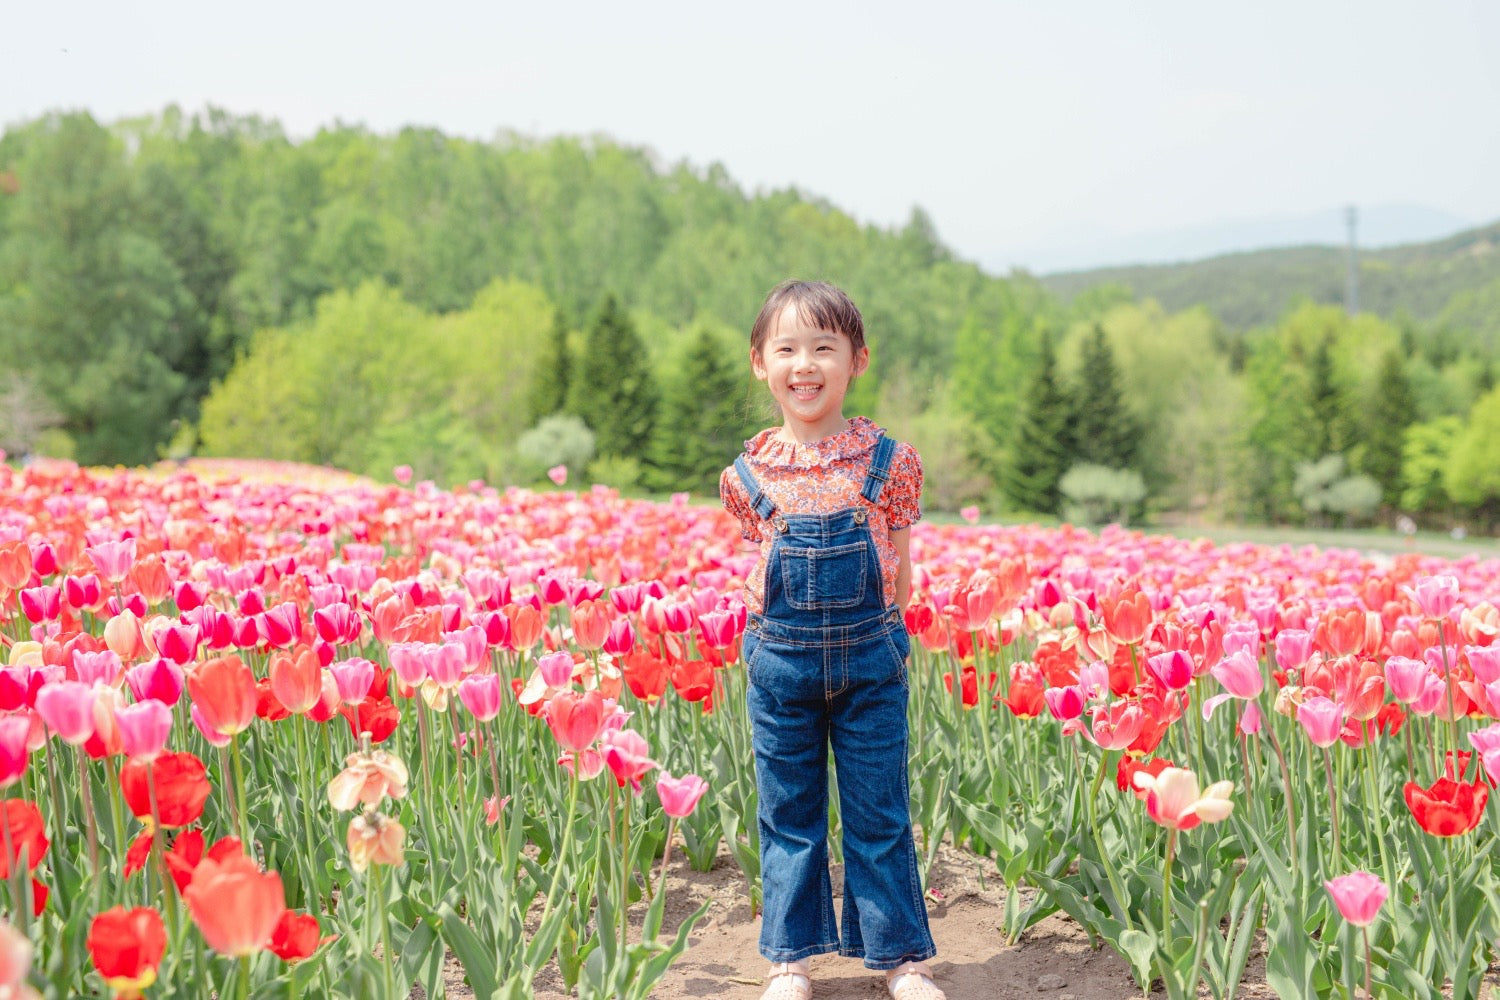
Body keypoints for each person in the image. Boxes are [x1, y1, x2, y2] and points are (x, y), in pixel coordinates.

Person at [720, 280, 943, 1000]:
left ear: (858, 360)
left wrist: (888, 626)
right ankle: (790, 959)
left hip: (869, 663)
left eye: (824, 347)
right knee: (789, 814)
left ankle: (899, 958)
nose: (804, 364)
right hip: (779, 664)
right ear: (760, 363)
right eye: (786, 348)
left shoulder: (888, 463)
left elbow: (901, 571)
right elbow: (760, 563)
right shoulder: (747, 475)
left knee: (879, 811)